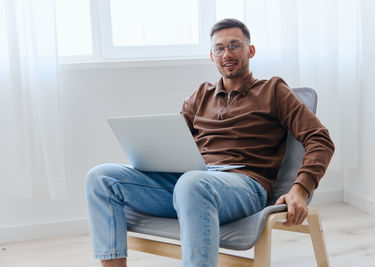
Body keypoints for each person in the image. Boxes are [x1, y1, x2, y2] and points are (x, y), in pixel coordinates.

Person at [85, 18, 334, 267]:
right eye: (220, 48)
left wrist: (300, 189)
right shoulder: (200, 96)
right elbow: (173, 143)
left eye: (235, 46)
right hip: (191, 182)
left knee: (193, 182)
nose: (227, 54)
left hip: (244, 185)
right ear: (212, 55)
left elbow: (319, 139)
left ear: (251, 50)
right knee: (101, 178)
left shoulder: (273, 90)